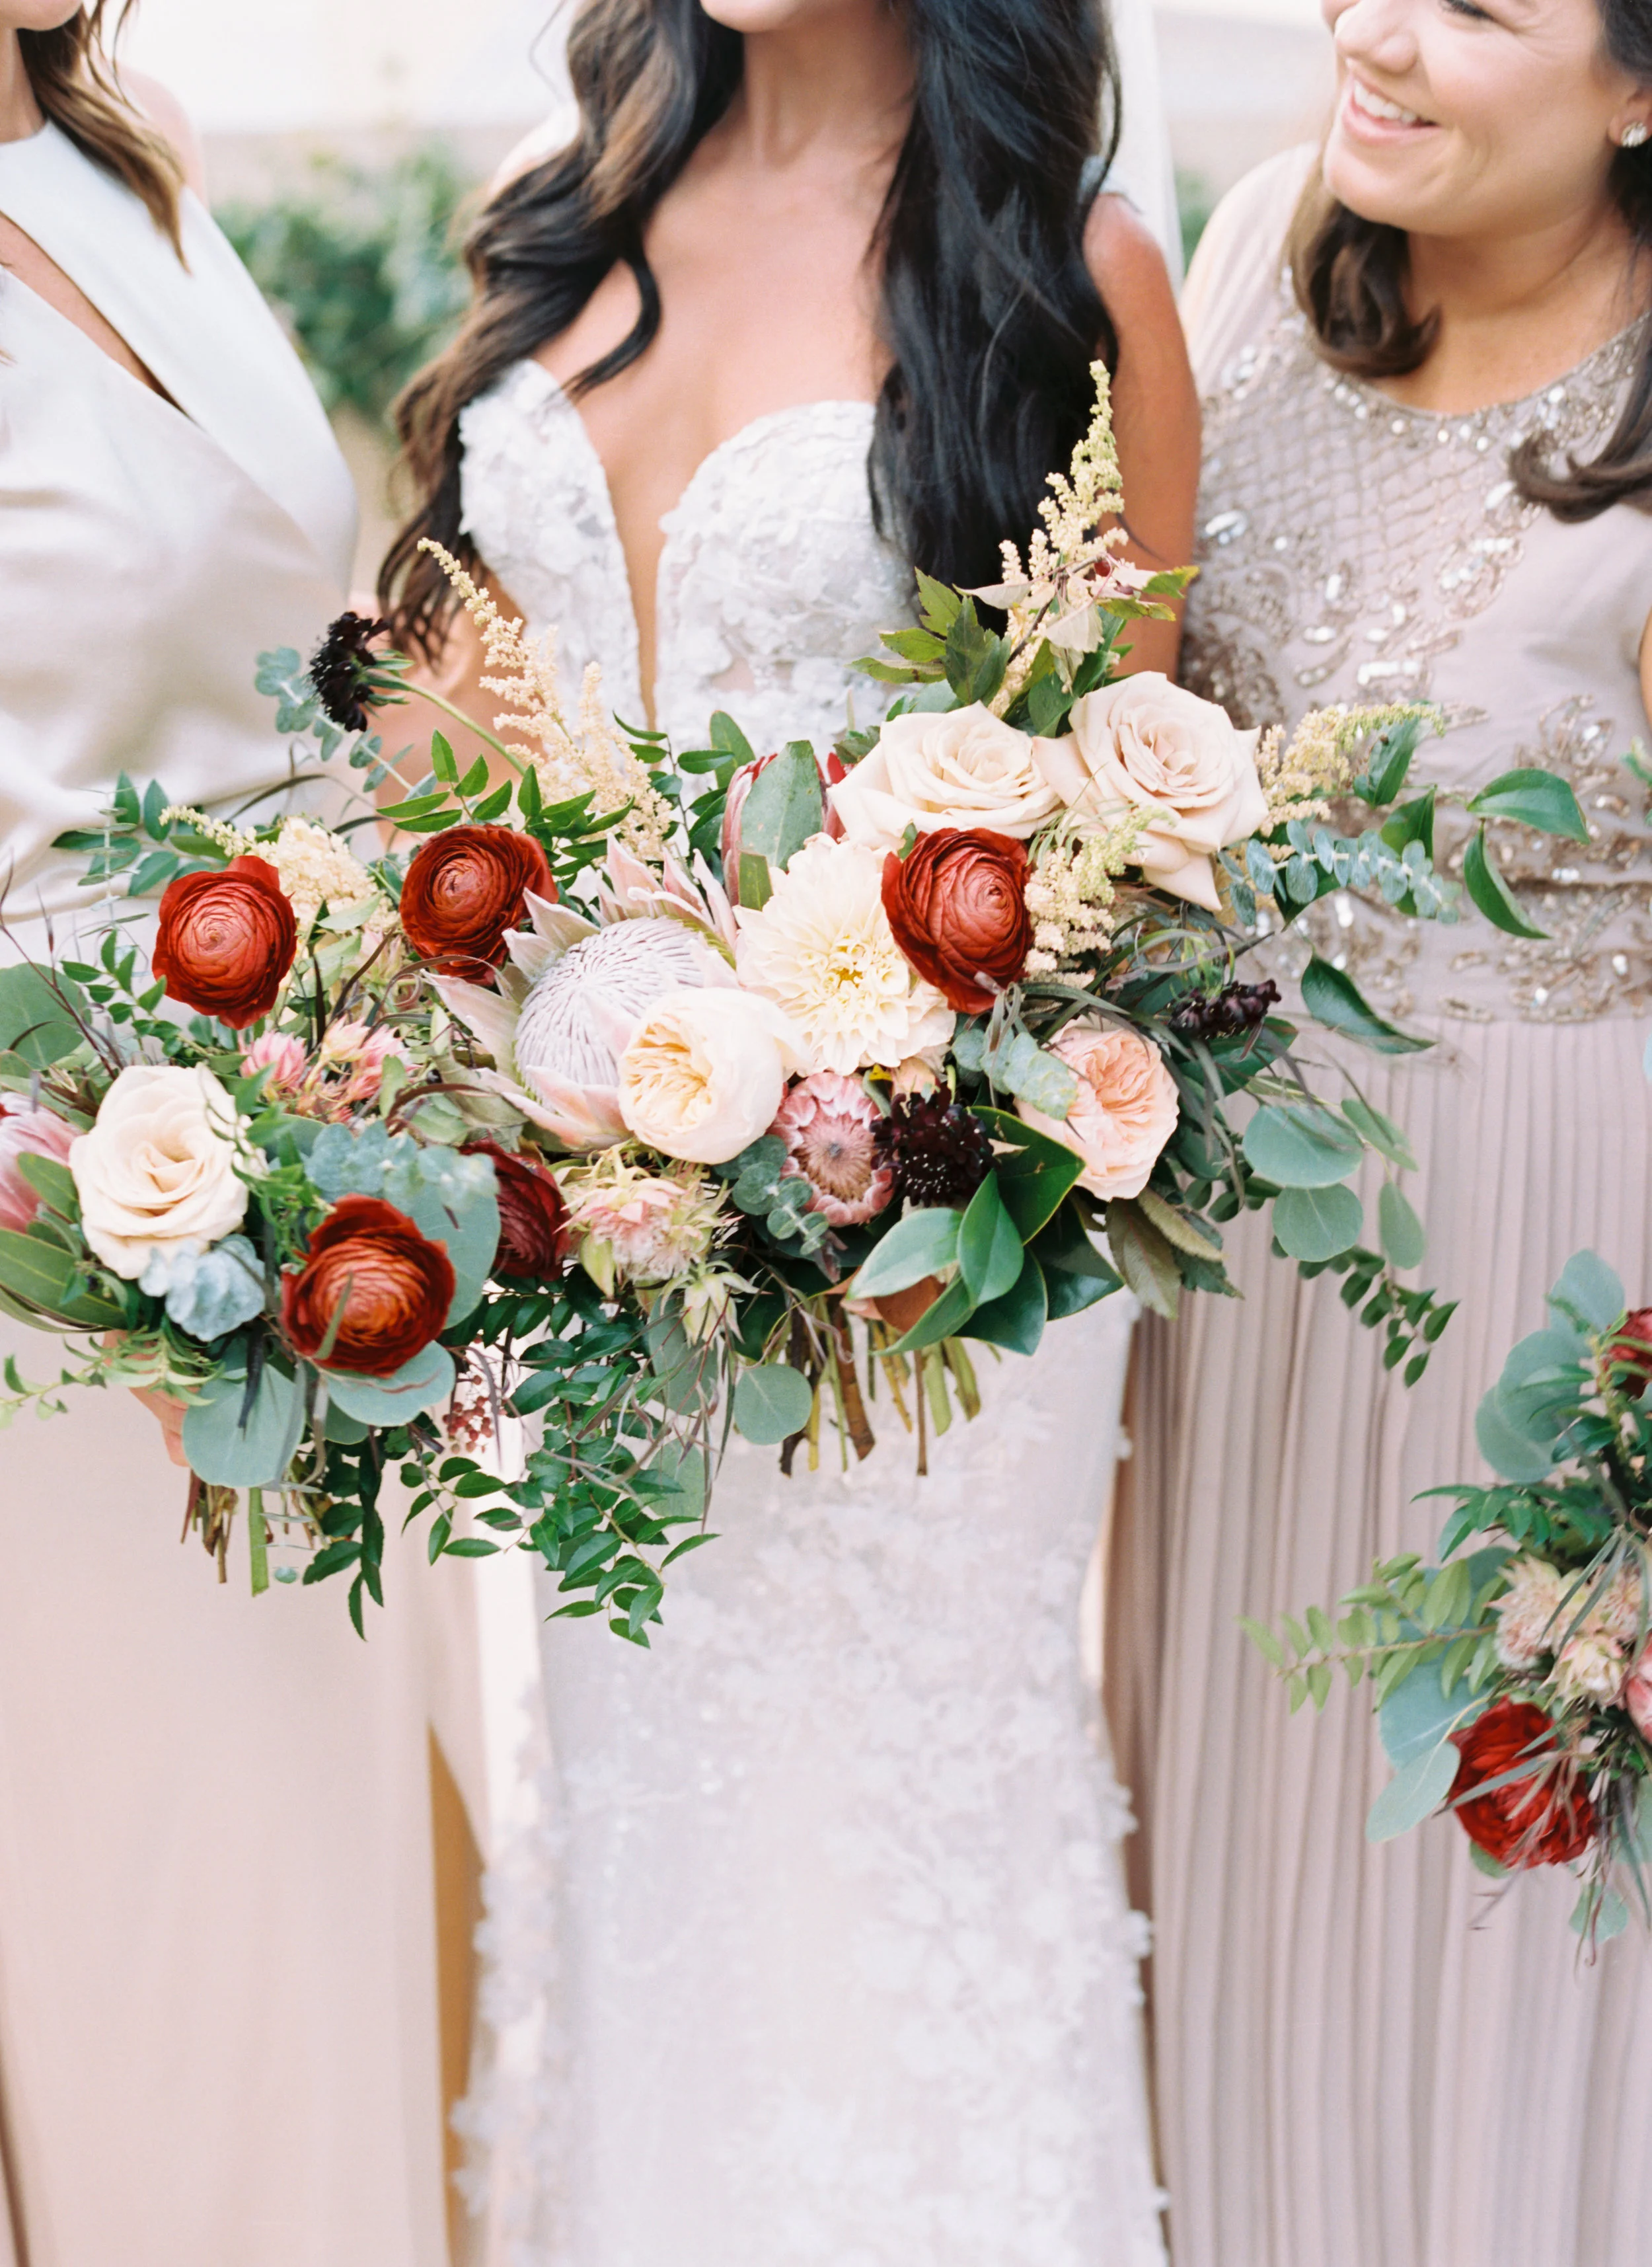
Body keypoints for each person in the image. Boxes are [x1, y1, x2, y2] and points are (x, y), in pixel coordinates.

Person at [379, 0, 1197, 2258]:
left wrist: (846, 1104)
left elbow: (1130, 837)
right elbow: (443, 784)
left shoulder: (1066, 275)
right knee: (655, 1859)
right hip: (600, 1256)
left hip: (919, 1280)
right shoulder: (572, 227)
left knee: (894, 1868)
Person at [1108, 2, 1652, 2262]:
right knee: (1224, 1853)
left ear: (1637, 81)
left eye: (1483, 8)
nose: (1378, 38)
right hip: (1233, 1262)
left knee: (1495, 1916)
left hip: (1544, 1279)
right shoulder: (1252, 252)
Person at [0, 11, 485, 2264]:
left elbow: (313, 657)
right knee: (161, 1966)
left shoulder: (136, 162)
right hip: (46, 1266)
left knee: (329, 1912)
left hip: (302, 1197)